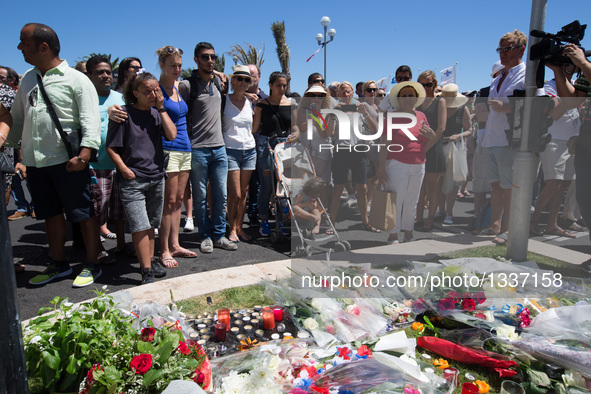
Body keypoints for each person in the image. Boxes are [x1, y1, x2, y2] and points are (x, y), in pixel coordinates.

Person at [7, 23, 102, 287]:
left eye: (23, 42)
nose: (19, 48)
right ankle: (58, 264)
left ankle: (92, 264)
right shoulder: (28, 78)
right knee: (49, 214)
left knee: (83, 212)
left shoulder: (76, 79)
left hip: (69, 162)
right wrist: (13, 152)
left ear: (44, 47)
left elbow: (90, 120)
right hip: (36, 162)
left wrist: (83, 157)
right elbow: (17, 119)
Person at [106, 72, 175, 284]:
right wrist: (124, 169)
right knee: (139, 225)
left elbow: (172, 135)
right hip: (133, 179)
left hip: (156, 176)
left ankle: (151, 260)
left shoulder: (156, 113)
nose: (153, 94)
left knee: (151, 224)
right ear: (135, 93)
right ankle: (146, 270)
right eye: (148, 91)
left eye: (156, 90)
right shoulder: (122, 114)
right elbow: (111, 147)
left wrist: (161, 108)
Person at [179, 42, 237, 253]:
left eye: (213, 57)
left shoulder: (219, 83)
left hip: (220, 148)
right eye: (205, 57)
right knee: (201, 197)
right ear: (196, 60)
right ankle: (204, 236)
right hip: (198, 149)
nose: (210, 61)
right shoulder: (187, 85)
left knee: (221, 195)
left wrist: (221, 74)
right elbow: (177, 110)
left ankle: (219, 235)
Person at [479, 29, 527, 246]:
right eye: (501, 49)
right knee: (496, 185)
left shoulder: (526, 74)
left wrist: (506, 107)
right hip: (491, 138)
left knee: (509, 186)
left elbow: (534, 104)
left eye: (508, 48)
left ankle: (508, 229)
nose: (503, 53)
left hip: (509, 140)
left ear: (521, 50)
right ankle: (494, 224)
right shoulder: (498, 78)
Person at [85, 54, 132, 262]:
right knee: (97, 210)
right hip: (96, 164)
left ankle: (122, 245)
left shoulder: (120, 98)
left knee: (120, 210)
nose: (106, 76)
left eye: (108, 72)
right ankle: (96, 250)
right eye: (100, 72)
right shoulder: (85, 99)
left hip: (120, 164)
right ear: (89, 75)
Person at [154, 46, 197, 268]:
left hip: (185, 149)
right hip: (167, 149)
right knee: (168, 202)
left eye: (180, 65)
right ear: (162, 65)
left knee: (179, 201)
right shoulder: (156, 89)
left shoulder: (179, 87)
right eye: (173, 65)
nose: (177, 69)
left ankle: (175, 244)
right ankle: (163, 250)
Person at [377, 81, 436, 244]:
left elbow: (427, 142)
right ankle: (393, 235)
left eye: (411, 95)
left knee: (413, 201)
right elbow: (385, 144)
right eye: (404, 96)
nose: (408, 98)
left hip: (418, 163)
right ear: (398, 99)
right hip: (397, 163)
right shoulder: (391, 117)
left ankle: (408, 233)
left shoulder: (421, 116)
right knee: (395, 200)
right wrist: (381, 168)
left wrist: (432, 137)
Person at [529, 67, 581, 239]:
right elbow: (555, 114)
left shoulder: (574, 85)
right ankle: (532, 221)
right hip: (554, 140)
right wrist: (571, 97)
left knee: (563, 184)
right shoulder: (549, 87)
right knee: (553, 183)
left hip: (572, 141)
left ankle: (552, 225)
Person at [252, 71, 299, 236]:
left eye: (284, 85)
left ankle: (283, 220)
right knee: (266, 186)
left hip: (285, 146)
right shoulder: (261, 105)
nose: (282, 88)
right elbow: (254, 129)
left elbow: (295, 127)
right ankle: (264, 220)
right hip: (266, 145)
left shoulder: (291, 104)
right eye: (278, 85)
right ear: (270, 85)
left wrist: (297, 134)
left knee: (284, 184)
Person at [327, 81, 378, 233]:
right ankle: (332, 224)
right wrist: (333, 114)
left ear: (353, 93)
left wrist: (365, 113)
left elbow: (374, 129)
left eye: (349, 91)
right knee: (338, 188)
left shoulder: (361, 108)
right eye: (343, 91)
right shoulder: (335, 110)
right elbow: (329, 133)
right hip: (341, 151)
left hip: (358, 151)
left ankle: (365, 222)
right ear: (338, 94)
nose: (346, 94)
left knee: (362, 188)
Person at [223, 65, 256, 243]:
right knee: (234, 193)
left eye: (247, 80)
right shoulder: (223, 100)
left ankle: (238, 227)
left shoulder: (251, 101)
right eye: (240, 79)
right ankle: (231, 228)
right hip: (230, 150)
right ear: (233, 80)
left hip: (249, 150)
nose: (243, 82)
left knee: (244, 192)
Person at [415, 70, 447, 232]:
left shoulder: (440, 102)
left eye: (429, 84)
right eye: (422, 84)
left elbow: (441, 128)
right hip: (418, 148)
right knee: (420, 186)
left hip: (434, 149)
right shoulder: (417, 103)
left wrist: (427, 147)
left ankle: (429, 219)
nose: (426, 87)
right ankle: (418, 217)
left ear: (434, 84)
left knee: (433, 187)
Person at [438, 84, 472, 225]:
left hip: (455, 148)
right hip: (439, 147)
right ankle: (440, 210)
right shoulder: (439, 107)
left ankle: (449, 212)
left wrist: (458, 136)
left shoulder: (462, 109)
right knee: (438, 181)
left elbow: (469, 129)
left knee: (452, 181)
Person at [297, 84, 332, 206]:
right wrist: (312, 120)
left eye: (320, 96)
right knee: (308, 186)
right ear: (308, 97)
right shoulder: (302, 110)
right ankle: (308, 214)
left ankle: (322, 216)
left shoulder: (327, 112)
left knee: (323, 186)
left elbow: (327, 134)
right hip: (307, 153)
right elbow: (301, 128)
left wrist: (317, 123)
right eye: (313, 96)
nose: (317, 99)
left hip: (324, 154)